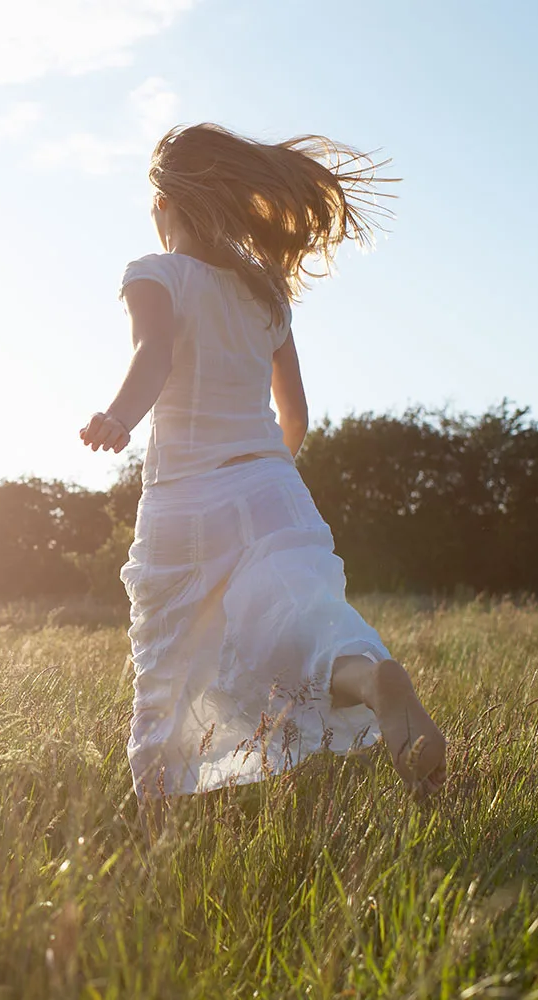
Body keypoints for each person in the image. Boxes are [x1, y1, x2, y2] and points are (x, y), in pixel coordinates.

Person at [80, 123, 445, 806]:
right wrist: (265, 479)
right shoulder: (266, 292)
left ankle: (153, 836)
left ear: (166, 205)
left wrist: (119, 419)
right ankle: (371, 679)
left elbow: (154, 353)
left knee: (170, 669)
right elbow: (296, 417)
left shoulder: (153, 274)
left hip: (186, 499)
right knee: (302, 621)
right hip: (273, 486)